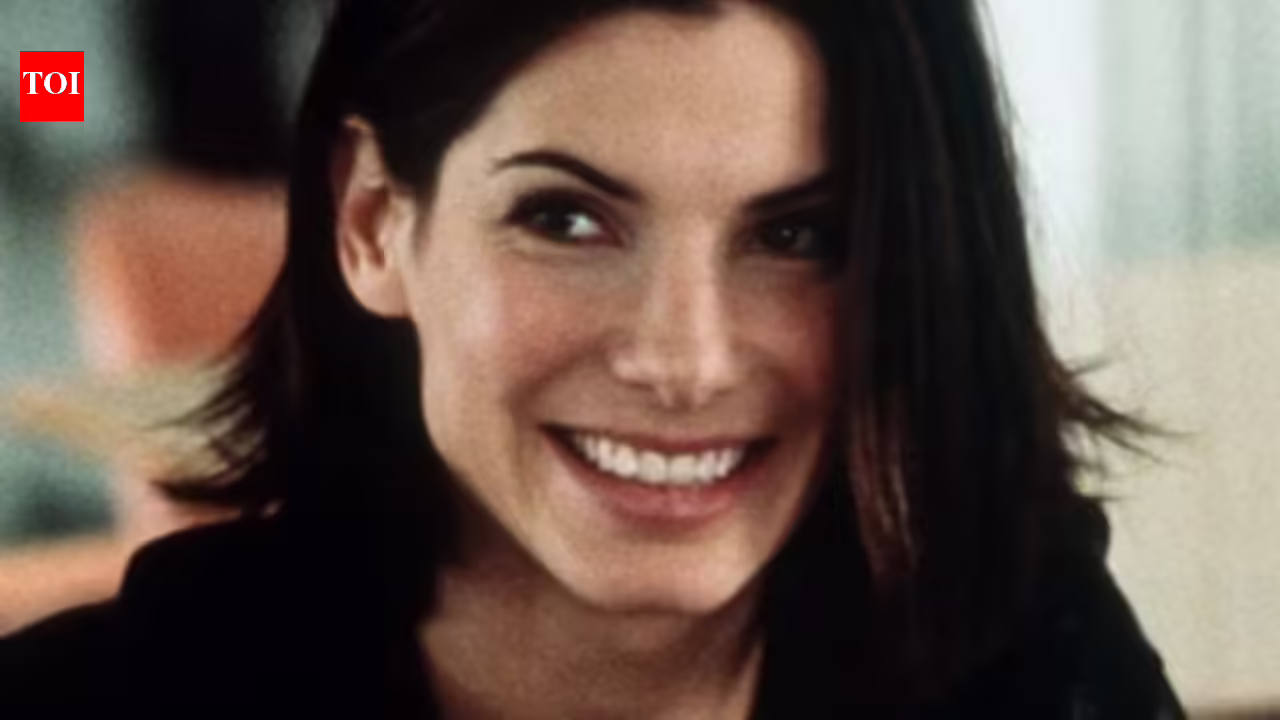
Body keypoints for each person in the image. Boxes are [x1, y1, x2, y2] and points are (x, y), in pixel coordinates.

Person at [0, 0, 1185, 717]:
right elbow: (51, 85)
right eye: (567, 219)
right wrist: (115, 160)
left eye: (797, 234)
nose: (685, 358)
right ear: (364, 219)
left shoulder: (1028, 654)